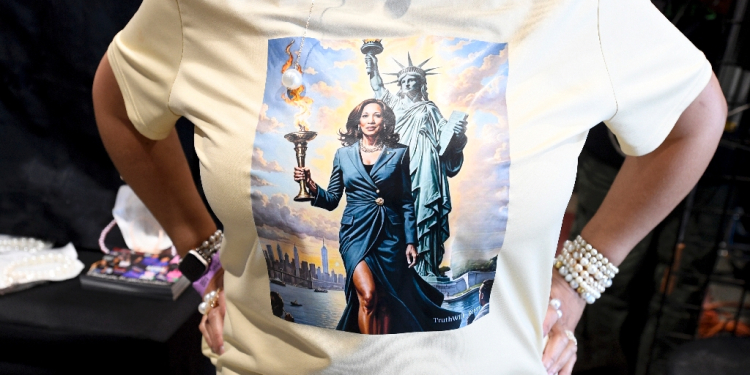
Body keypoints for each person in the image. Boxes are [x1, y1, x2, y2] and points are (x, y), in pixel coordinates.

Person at [93, 0, 727, 373]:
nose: (381, 111)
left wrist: (581, 277)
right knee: (366, 293)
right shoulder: (204, 10)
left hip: (425, 237)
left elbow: (693, 121)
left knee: (404, 285)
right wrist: (204, 260)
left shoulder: (577, 10)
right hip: (297, 313)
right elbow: (120, 106)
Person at [294, 98, 461, 334]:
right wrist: (310, 185)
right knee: (368, 295)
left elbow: (405, 200)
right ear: (358, 122)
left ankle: (381, 352)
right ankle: (364, 352)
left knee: (383, 302)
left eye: (377, 115)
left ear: (385, 122)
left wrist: (411, 241)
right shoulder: (343, 155)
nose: (371, 120)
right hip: (356, 234)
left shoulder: (400, 153)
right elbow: (331, 200)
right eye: (365, 115)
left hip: (391, 236)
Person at [366, 52, 467, 278]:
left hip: (426, 162)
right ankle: (399, 264)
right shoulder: (393, 105)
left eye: (413, 80)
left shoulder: (430, 108)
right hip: (400, 163)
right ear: (400, 85)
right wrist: (372, 64)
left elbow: (445, 135)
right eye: (404, 80)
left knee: (425, 207)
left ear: (421, 84)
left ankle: (425, 265)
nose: (408, 83)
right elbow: (378, 87)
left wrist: (458, 135)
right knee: (398, 209)